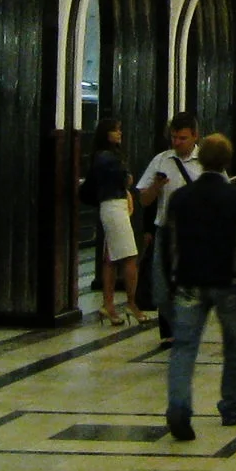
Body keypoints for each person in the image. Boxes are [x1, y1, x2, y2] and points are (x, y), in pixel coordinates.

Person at [163, 135, 236, 440]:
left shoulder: (181, 199)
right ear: (227, 162)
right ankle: (231, 406)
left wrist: (170, 283)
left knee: (184, 348)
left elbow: (168, 244)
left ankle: (178, 407)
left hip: (189, 281)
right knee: (233, 347)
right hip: (227, 283)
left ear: (201, 160)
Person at [135, 114, 201, 345]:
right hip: (165, 231)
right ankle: (169, 328)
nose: (177, 142)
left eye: (183, 138)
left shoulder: (206, 162)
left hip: (194, 233)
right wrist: (156, 186)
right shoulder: (162, 160)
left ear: (195, 136)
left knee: (189, 286)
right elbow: (143, 199)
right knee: (161, 286)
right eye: (174, 137)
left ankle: (185, 330)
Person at [88, 123, 142, 327]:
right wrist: (127, 179)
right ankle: (131, 302)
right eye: (115, 130)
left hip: (110, 205)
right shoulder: (107, 157)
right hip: (114, 207)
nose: (119, 133)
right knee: (130, 257)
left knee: (110, 258)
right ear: (105, 134)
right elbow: (126, 179)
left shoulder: (101, 156)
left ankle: (107, 305)